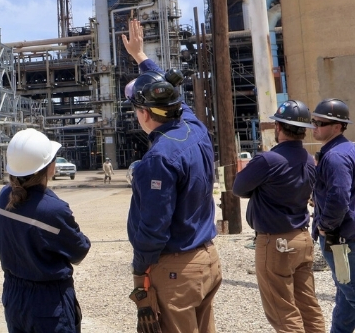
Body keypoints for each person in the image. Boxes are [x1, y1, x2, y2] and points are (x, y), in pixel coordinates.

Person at [122, 18, 221, 333]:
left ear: (143, 114)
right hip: (207, 259)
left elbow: (154, 228)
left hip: (176, 271)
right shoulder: (194, 127)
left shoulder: (158, 159)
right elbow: (168, 89)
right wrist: (140, 57)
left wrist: (140, 273)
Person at [232, 100, 325, 333]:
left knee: (283, 311)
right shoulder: (308, 159)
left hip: (275, 242)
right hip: (302, 238)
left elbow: (239, 188)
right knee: (308, 306)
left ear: (279, 127)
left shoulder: (268, 160)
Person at [0, 128, 90, 333]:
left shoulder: (4, 198)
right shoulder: (53, 209)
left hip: (14, 297)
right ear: (48, 167)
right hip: (48, 303)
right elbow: (79, 250)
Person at [310, 98, 355, 333]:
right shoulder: (349, 149)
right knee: (345, 293)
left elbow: (338, 197)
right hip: (347, 236)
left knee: (351, 291)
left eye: (320, 123)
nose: (314, 126)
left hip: (340, 239)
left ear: (337, 126)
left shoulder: (335, 156)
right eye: (313, 121)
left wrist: (325, 226)